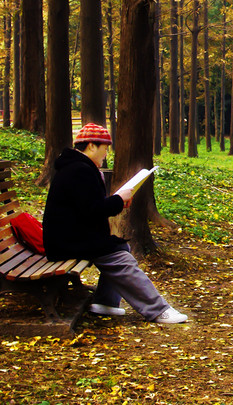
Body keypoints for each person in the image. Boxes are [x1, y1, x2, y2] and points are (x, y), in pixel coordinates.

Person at [42, 123, 188, 324]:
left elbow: (89, 207)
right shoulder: (79, 170)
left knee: (119, 247)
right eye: (104, 147)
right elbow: (92, 210)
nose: (106, 153)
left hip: (69, 237)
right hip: (68, 242)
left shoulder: (77, 167)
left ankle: (106, 302)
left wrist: (118, 200)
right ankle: (158, 310)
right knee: (118, 256)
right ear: (91, 146)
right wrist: (119, 199)